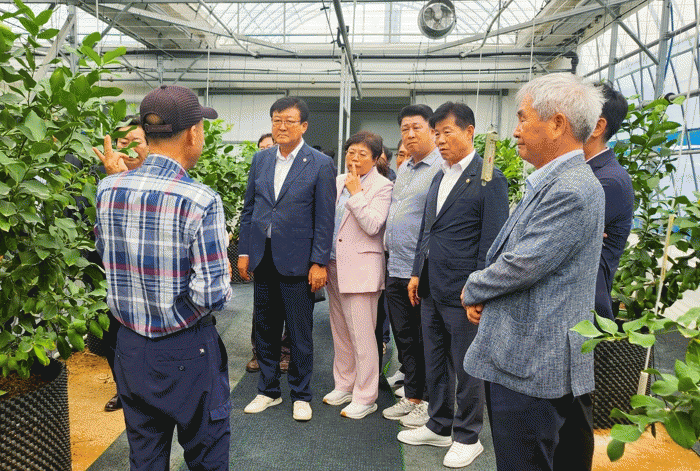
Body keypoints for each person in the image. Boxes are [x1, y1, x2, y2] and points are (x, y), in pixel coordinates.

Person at [461, 73, 605, 471]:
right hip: (532, 355)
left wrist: (474, 288)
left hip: (533, 360)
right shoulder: (556, 181)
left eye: (523, 118)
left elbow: (523, 263)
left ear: (557, 124)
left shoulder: (570, 189)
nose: (516, 130)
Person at [94, 85, 233, 471]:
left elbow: (107, 257)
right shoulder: (200, 200)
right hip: (186, 349)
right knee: (206, 457)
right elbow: (212, 294)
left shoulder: (108, 189)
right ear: (193, 134)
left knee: (146, 457)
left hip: (129, 347)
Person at [397, 102, 509, 468]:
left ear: (470, 131)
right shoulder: (439, 176)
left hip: (464, 292)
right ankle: (439, 424)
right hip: (431, 286)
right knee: (435, 361)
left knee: (467, 366)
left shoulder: (489, 179)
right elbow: (427, 230)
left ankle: (467, 436)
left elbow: (493, 243)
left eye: (448, 132)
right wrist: (417, 272)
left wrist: (479, 291)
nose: (441, 140)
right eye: (437, 133)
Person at [552, 83, 634, 470]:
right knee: (563, 409)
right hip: (570, 303)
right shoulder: (585, 174)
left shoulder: (607, 181)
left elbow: (558, 241)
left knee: (575, 413)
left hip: (584, 308)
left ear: (597, 125)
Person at [238, 97, 336, 422]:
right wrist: (244, 251)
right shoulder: (261, 159)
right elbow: (250, 208)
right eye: (276, 120)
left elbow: (325, 218)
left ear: (303, 126)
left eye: (289, 121)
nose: (281, 127)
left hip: (299, 261)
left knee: (298, 332)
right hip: (263, 257)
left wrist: (319, 262)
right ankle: (268, 391)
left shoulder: (320, 163)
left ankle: (301, 394)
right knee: (265, 328)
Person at [323, 131, 393, 419]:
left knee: (363, 337)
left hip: (362, 269)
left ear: (376, 159)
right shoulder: (338, 180)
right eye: (351, 152)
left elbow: (373, 225)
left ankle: (366, 396)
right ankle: (344, 384)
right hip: (334, 265)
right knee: (340, 332)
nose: (354, 158)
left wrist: (356, 194)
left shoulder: (383, 186)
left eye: (362, 154)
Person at [382, 104, 442, 427]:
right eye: (405, 128)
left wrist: (420, 269)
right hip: (396, 265)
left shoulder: (440, 168)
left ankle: (429, 402)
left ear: (432, 130)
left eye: (416, 127)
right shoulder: (405, 168)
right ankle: (413, 395)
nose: (410, 134)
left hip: (419, 271)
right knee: (404, 337)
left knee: (424, 339)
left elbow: (434, 223)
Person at [91, 116, 150, 413]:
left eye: (134, 142)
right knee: (113, 336)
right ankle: (123, 390)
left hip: (150, 275)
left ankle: (148, 391)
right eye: (122, 142)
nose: (127, 149)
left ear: (151, 145)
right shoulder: (105, 179)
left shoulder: (160, 180)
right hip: (114, 274)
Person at [245, 131, 293, 375]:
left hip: (290, 251)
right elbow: (249, 210)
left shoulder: (293, 170)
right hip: (262, 250)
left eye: (270, 146)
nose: (267, 151)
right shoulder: (259, 169)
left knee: (288, 307)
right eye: (262, 148)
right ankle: (261, 353)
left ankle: (286, 352)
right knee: (262, 308)